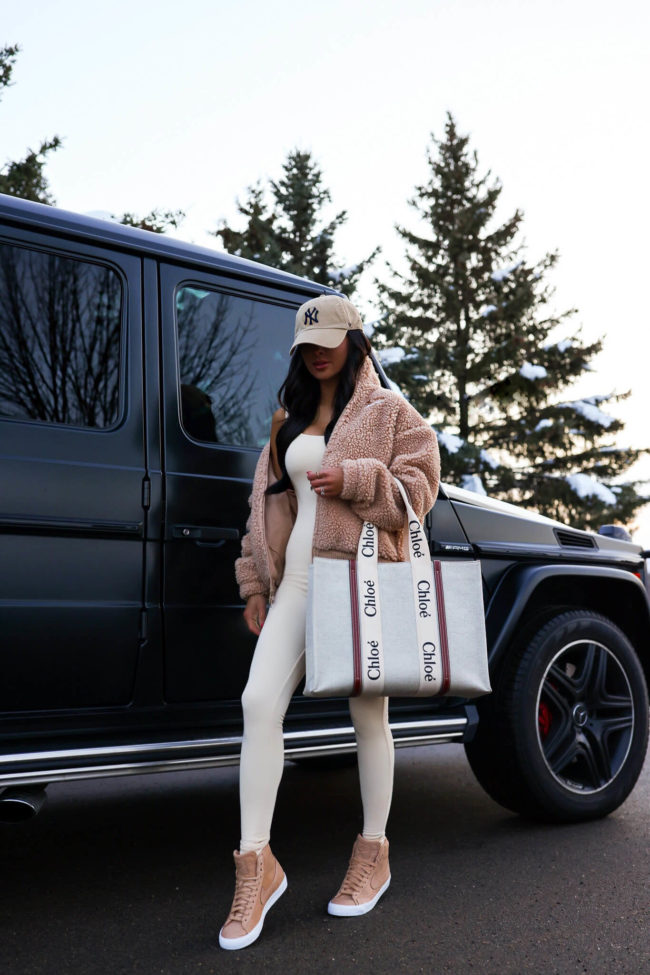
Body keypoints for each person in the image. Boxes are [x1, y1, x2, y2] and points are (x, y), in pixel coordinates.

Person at [219, 294, 440, 950]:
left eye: (331, 337)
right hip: (296, 587)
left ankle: (374, 850)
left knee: (369, 715)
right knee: (258, 702)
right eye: (308, 339)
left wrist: (357, 477)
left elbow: (417, 493)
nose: (318, 349)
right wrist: (256, 583)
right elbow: (262, 508)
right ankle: (255, 865)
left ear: (355, 339)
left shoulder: (389, 411)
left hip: (359, 582)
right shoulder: (286, 417)